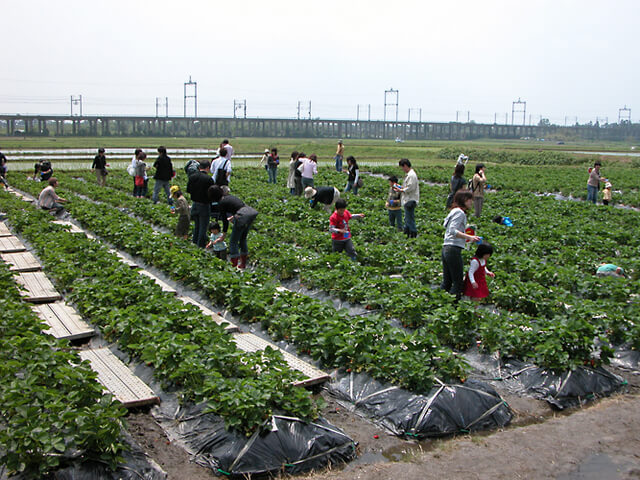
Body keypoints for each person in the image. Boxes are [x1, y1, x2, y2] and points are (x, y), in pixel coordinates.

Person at [441, 190, 480, 301]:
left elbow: (446, 226)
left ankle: (440, 303)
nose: (471, 202)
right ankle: (454, 308)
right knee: (458, 282)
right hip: (453, 249)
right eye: (469, 200)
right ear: (464, 200)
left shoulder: (453, 211)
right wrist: (469, 237)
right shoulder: (460, 213)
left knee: (447, 281)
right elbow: (453, 230)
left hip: (446, 248)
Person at [208, 185, 258, 269]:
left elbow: (224, 221)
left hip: (242, 216)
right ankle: (243, 264)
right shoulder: (228, 197)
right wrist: (234, 216)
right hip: (250, 213)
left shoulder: (221, 203)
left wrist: (223, 235)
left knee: (233, 241)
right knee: (242, 239)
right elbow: (239, 206)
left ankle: (233, 266)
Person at [187, 161, 215, 248]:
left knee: (197, 226)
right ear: (207, 168)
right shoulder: (209, 179)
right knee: (203, 227)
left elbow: (188, 190)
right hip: (204, 205)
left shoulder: (192, 177)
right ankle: (200, 247)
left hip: (195, 204)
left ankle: (194, 244)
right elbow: (212, 194)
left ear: (199, 168)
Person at [394, 158, 419, 237]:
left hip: (410, 200)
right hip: (408, 199)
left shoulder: (411, 175)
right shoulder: (410, 174)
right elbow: (408, 186)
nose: (402, 169)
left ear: (405, 166)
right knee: (407, 218)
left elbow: (410, 187)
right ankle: (407, 233)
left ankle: (413, 234)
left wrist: (401, 190)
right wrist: (401, 187)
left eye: (402, 167)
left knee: (409, 219)